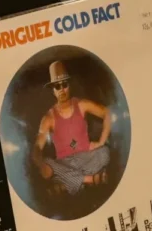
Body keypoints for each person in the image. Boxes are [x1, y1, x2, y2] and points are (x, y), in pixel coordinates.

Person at [35, 61, 112, 195]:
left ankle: (69, 183)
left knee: (104, 152)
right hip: (65, 163)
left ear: (69, 86)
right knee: (50, 164)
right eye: (57, 86)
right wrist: (40, 164)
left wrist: (101, 141)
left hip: (87, 157)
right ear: (53, 90)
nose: (62, 89)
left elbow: (107, 113)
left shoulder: (81, 104)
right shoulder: (48, 118)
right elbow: (37, 147)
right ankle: (90, 179)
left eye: (64, 84)